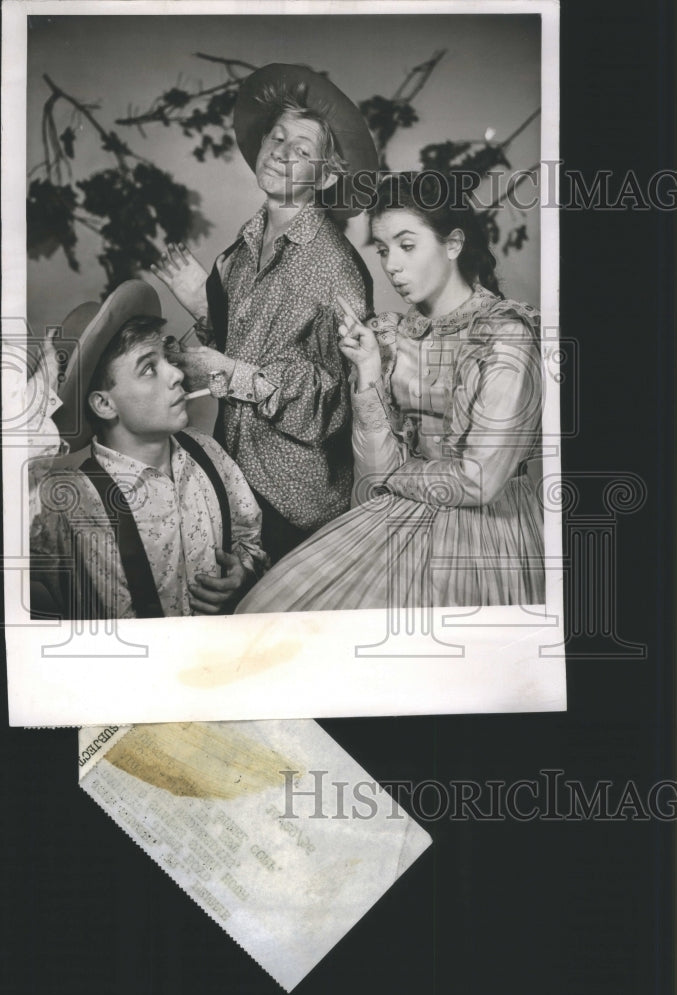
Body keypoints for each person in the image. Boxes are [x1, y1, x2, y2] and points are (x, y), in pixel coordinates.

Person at [236, 172, 545, 613]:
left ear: (453, 244)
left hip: (490, 527)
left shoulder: (505, 335)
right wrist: (367, 373)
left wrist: (396, 479)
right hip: (404, 512)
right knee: (274, 610)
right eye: (382, 250)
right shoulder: (393, 337)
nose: (391, 266)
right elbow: (370, 476)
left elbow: (480, 481)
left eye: (407, 245)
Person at [151, 63, 377, 562]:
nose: (280, 152)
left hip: (297, 505)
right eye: (276, 138)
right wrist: (205, 308)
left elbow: (337, 400)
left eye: (302, 150)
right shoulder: (242, 247)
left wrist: (231, 374)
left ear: (327, 173)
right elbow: (251, 347)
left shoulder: (336, 267)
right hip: (233, 481)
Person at [31, 279, 267, 619]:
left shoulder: (206, 452)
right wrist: (35, 403)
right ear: (103, 403)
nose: (175, 373)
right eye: (148, 368)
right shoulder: (67, 500)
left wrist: (243, 575)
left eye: (166, 357)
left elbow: (249, 535)